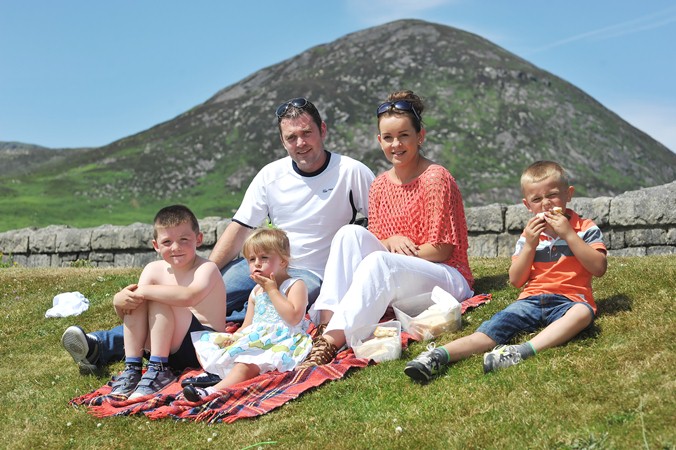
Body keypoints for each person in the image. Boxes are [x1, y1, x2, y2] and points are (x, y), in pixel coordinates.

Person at [61, 97, 374, 375]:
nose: (300, 143)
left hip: (311, 274)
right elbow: (239, 228)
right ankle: (99, 345)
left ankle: (113, 346)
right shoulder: (270, 175)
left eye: (307, 133)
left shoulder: (351, 171)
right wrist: (206, 273)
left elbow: (376, 223)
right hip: (262, 260)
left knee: (247, 310)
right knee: (207, 300)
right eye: (291, 137)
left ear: (323, 129)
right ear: (282, 141)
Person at [298, 90, 475, 368]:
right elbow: (378, 240)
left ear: (420, 136)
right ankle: (326, 323)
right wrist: (390, 239)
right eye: (389, 137)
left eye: (404, 135)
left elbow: (442, 250)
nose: (396, 144)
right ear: (379, 140)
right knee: (349, 234)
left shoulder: (435, 178)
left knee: (380, 262)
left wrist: (395, 254)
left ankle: (330, 344)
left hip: (449, 278)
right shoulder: (379, 185)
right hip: (405, 274)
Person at [404, 160, 608, 382]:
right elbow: (516, 280)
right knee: (491, 329)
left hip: (570, 299)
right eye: (537, 199)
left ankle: (521, 351)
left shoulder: (585, 228)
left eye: (553, 195)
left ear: (569, 194)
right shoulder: (528, 236)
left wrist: (569, 234)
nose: (546, 204)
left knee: (582, 313)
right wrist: (530, 244)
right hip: (530, 299)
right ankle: (438, 356)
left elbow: (598, 268)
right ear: (527, 205)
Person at [106, 205, 226, 399]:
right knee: (145, 299)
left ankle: (160, 369)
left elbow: (189, 296)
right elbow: (136, 313)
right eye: (167, 242)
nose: (175, 247)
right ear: (156, 245)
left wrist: (144, 291)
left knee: (159, 297)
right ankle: (133, 368)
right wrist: (119, 302)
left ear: (199, 239)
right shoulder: (153, 269)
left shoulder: (207, 268)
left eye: (184, 240)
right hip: (162, 346)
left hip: (201, 347)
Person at [181, 227, 312, 401]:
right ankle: (216, 374)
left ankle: (212, 391)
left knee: (247, 363)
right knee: (206, 342)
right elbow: (248, 324)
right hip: (255, 337)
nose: (257, 263)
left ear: (282, 261)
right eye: (252, 259)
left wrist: (272, 290)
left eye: (264, 257)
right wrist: (236, 337)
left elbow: (294, 317)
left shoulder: (294, 285)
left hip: (280, 339)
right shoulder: (256, 291)